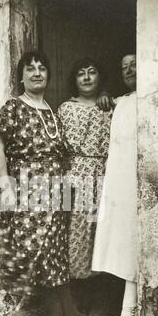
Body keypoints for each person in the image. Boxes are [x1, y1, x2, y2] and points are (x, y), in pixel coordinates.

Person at [0, 51, 97, 316]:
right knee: (40, 248)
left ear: (48, 75)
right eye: (30, 69)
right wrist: (5, 185)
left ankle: (59, 313)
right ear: (21, 76)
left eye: (42, 69)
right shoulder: (13, 107)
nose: (37, 73)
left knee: (57, 249)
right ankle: (60, 312)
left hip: (59, 186)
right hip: (30, 187)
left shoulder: (53, 110)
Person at [92, 54, 138, 316]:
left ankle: (130, 308)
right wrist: (106, 96)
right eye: (124, 67)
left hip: (144, 182)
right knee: (122, 240)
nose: (129, 70)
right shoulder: (121, 102)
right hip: (122, 182)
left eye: (134, 64)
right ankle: (126, 307)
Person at [58, 58, 112, 291]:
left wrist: (108, 96)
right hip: (73, 175)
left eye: (92, 72)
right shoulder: (65, 108)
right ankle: (74, 292)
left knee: (98, 232)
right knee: (73, 232)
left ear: (100, 77)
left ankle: (97, 289)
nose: (87, 77)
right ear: (75, 79)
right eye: (81, 73)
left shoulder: (109, 107)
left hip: (103, 176)